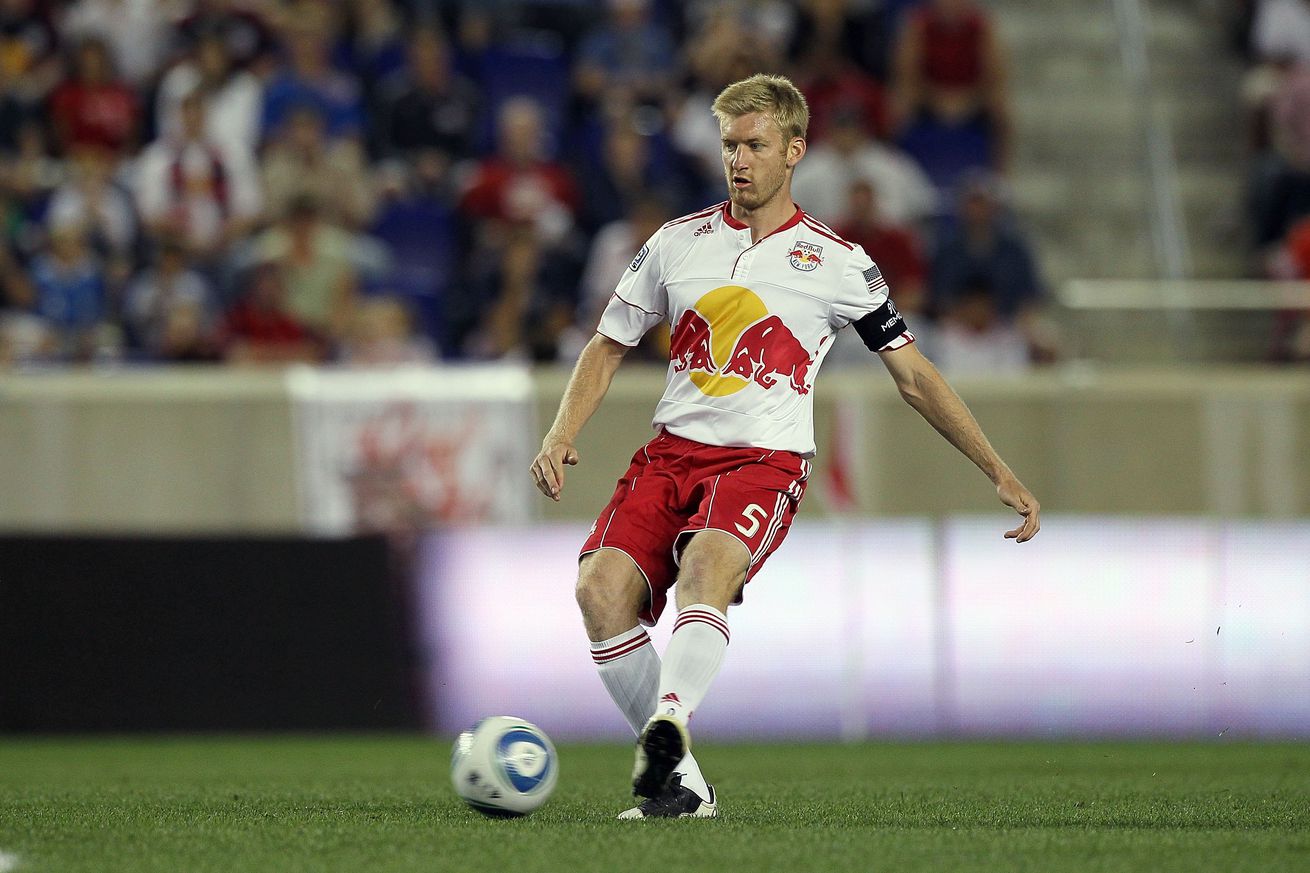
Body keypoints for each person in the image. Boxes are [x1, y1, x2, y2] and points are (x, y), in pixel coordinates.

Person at [529, 74, 1041, 820]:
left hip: (763, 462)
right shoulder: (676, 243)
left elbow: (914, 375)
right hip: (670, 454)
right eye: (730, 145)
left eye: (755, 145)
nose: (739, 160)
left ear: (795, 150)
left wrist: (997, 468)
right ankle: (682, 781)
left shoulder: (836, 261)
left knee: (708, 560)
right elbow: (608, 344)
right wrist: (561, 430)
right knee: (598, 591)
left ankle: (667, 722)